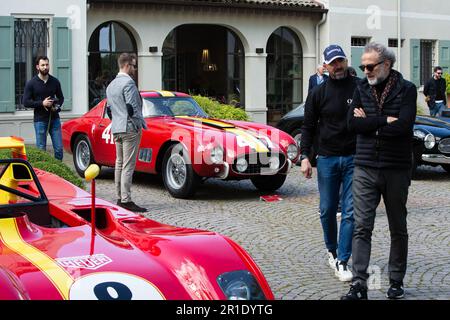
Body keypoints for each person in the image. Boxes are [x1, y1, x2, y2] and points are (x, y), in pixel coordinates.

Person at [342, 42, 417, 300]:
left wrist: (368, 124)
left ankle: (396, 282)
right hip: (364, 166)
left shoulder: (406, 89)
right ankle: (359, 285)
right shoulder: (360, 87)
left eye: (370, 66)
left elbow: (405, 126)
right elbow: (352, 124)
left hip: (396, 168)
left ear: (386, 64)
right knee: (362, 227)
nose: (366, 71)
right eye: (363, 66)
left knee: (398, 226)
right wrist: (384, 120)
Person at [300, 45, 358, 282]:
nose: (338, 66)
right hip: (326, 158)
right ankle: (332, 251)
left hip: (355, 157)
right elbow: (308, 126)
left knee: (351, 212)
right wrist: (305, 156)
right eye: (333, 62)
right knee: (327, 209)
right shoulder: (318, 93)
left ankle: (343, 260)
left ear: (346, 61)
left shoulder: (359, 87)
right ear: (325, 66)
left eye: (341, 61)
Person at [106, 53, 148, 213]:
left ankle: (119, 197)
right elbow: (132, 108)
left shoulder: (111, 85)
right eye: (134, 66)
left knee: (119, 163)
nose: (135, 69)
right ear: (127, 65)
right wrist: (138, 125)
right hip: (129, 128)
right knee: (128, 165)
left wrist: (116, 122)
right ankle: (126, 199)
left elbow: (109, 110)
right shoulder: (128, 83)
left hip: (116, 127)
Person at [23, 56, 64, 160]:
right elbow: (26, 102)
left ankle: (57, 174)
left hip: (54, 119)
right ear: (37, 67)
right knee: (41, 150)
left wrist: (57, 107)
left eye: (47, 64)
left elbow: (61, 98)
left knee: (59, 149)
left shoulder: (55, 81)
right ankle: (43, 173)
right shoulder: (31, 83)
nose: (45, 67)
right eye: (43, 65)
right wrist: (42, 103)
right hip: (40, 120)